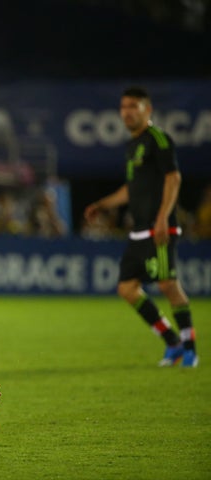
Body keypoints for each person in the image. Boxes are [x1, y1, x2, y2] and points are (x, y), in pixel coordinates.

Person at [84, 86, 198, 368]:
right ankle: (172, 342)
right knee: (127, 289)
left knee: (167, 283)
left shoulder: (158, 139)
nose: (127, 112)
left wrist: (163, 218)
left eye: (133, 106)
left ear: (148, 110)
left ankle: (190, 348)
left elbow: (174, 179)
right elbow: (131, 190)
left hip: (159, 227)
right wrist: (103, 204)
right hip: (140, 231)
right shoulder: (132, 146)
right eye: (123, 107)